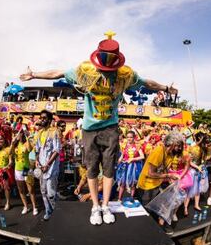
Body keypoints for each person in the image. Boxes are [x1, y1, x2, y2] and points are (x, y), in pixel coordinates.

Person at [20, 32, 178, 226]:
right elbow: (58, 73)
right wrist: (34, 74)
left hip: (110, 127)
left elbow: (147, 83)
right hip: (89, 128)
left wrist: (165, 88)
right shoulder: (86, 70)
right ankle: (95, 206)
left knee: (110, 169)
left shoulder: (125, 74)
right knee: (92, 169)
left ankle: (105, 206)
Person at [137, 131, 183, 234]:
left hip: (156, 184)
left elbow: (165, 168)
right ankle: (145, 232)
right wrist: (168, 176)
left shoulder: (171, 154)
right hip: (146, 186)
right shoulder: (158, 151)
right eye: (178, 146)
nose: (180, 148)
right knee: (147, 212)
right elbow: (150, 173)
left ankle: (158, 228)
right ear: (171, 143)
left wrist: (171, 180)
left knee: (159, 208)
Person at [34, 110, 61, 220]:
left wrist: (48, 164)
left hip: (51, 168)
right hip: (41, 167)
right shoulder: (39, 133)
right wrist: (36, 160)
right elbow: (37, 149)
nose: (42, 120)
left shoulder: (55, 132)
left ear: (50, 120)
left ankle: (57, 213)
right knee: (43, 191)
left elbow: (57, 150)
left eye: (44, 118)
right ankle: (48, 211)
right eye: (41, 118)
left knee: (51, 193)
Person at [10, 128, 38, 215]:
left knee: (30, 190)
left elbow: (32, 149)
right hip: (17, 170)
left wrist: (28, 136)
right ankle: (25, 206)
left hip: (26, 169)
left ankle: (34, 207)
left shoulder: (27, 144)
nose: (19, 134)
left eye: (20, 133)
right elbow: (10, 153)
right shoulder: (15, 145)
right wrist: (12, 143)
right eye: (18, 133)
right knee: (21, 190)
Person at [116, 131, 145, 201]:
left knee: (132, 184)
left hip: (133, 167)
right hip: (125, 166)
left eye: (131, 137)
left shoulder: (137, 146)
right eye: (128, 137)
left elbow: (142, 156)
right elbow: (122, 156)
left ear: (134, 137)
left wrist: (133, 159)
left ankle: (131, 199)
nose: (129, 139)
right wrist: (118, 162)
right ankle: (119, 199)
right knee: (122, 183)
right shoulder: (124, 145)